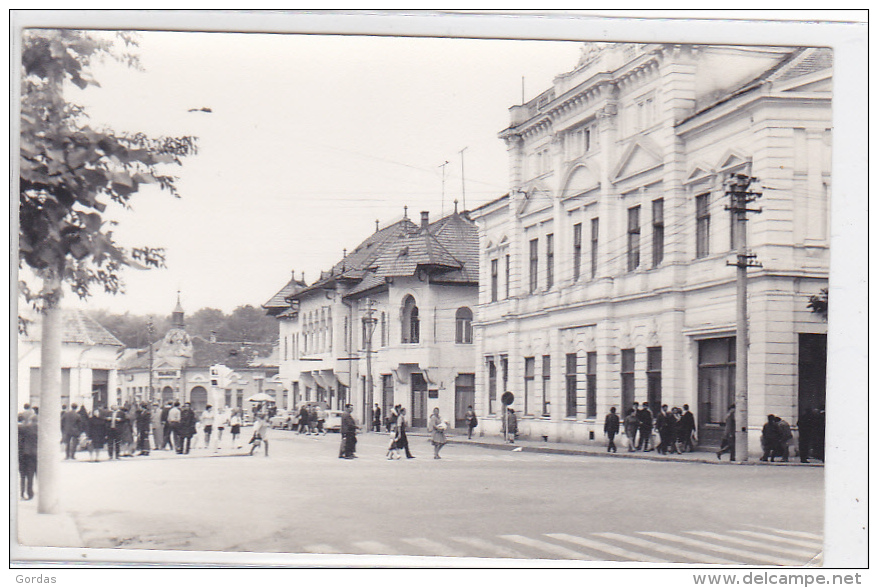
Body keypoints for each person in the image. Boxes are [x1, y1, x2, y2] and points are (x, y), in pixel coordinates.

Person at [18, 413, 38, 500]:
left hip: (26, 453)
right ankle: (34, 493)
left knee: (26, 474)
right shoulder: (40, 429)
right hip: (36, 454)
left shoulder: (26, 427)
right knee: (34, 474)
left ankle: (26, 492)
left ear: (30, 420)